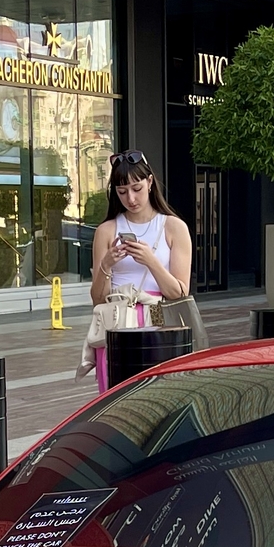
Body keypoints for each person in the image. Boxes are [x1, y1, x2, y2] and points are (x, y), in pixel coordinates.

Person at [83, 150, 193, 388]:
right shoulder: (106, 230)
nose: (130, 198)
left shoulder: (174, 227)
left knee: (158, 394)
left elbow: (180, 293)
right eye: (122, 192)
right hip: (117, 320)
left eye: (137, 188)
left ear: (150, 182)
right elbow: (97, 299)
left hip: (157, 320)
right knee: (115, 397)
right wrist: (106, 265)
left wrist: (151, 261)